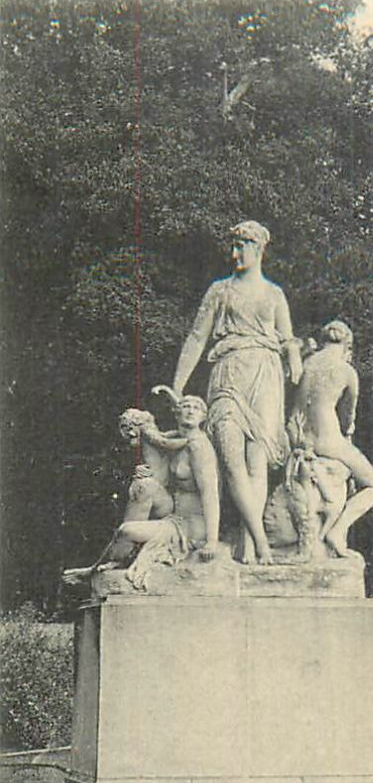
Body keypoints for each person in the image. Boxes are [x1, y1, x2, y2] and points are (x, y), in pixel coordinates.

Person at [170, 220, 300, 564]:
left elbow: (287, 338)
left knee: (258, 462)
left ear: (258, 249)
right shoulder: (219, 290)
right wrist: (178, 384)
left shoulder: (275, 294)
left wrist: (295, 356)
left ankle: (248, 543)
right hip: (228, 373)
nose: (234, 254)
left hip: (266, 374)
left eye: (241, 246)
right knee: (231, 461)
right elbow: (197, 337)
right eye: (233, 246)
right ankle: (262, 543)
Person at [66, 393, 221, 590]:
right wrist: (146, 473)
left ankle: (95, 570)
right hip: (173, 515)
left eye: (196, 407)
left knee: (126, 530)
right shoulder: (175, 439)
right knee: (144, 485)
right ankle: (115, 559)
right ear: (176, 412)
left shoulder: (200, 447)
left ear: (203, 417)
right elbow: (162, 476)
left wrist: (212, 541)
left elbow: (211, 495)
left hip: (192, 525)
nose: (190, 410)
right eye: (185, 406)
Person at [286, 319, 373, 557]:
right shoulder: (346, 371)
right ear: (347, 347)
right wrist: (347, 432)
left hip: (298, 436)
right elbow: (348, 417)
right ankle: (338, 531)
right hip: (327, 440)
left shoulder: (307, 363)